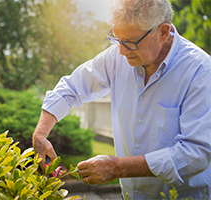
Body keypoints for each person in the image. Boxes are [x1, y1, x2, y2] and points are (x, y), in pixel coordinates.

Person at [32, 0, 211, 199]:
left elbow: (196, 153)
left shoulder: (200, 70)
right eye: (117, 38)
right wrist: (41, 133)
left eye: (131, 42)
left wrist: (118, 167)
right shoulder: (118, 57)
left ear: (163, 32)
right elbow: (71, 87)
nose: (121, 51)